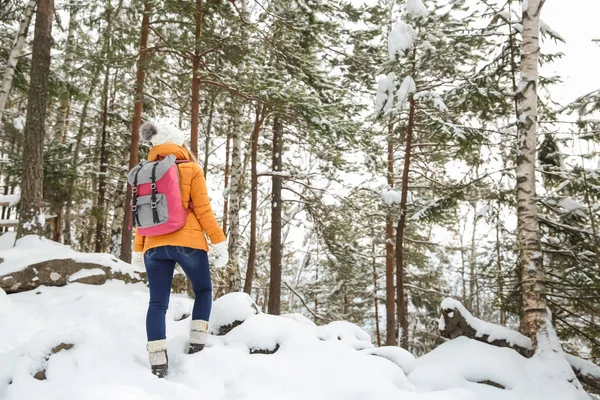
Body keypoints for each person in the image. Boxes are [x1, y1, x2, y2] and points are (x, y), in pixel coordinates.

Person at [131, 121, 228, 378]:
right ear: (179, 143)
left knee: (157, 303)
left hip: (154, 245)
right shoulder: (191, 169)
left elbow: (141, 216)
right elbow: (203, 210)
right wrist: (219, 242)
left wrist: (138, 250)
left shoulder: (144, 172)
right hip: (189, 243)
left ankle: (157, 362)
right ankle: (197, 345)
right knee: (203, 290)